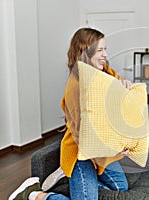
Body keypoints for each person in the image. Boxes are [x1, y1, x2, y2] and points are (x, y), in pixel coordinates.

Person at [9, 27, 132, 200]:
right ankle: (37, 195)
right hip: (81, 151)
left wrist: (124, 83)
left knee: (121, 187)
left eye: (105, 49)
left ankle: (70, 180)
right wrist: (116, 149)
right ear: (85, 52)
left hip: (99, 149)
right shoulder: (76, 87)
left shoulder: (105, 72)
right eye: (100, 50)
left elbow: (117, 83)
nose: (105, 55)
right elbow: (86, 135)